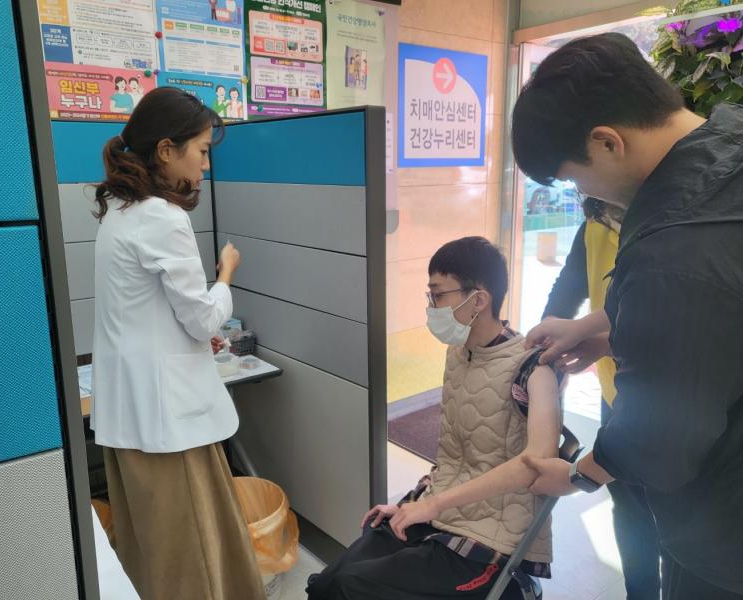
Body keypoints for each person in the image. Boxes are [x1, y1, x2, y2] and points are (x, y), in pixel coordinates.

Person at [511, 33, 743, 599]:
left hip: (725, 533)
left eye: (573, 177)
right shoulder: (730, 139)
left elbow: (664, 440)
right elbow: (718, 323)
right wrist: (612, 334)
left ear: (607, 142)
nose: (582, 193)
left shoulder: (673, 245)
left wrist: (577, 474)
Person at [307, 237, 562, 600]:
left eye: (438, 295)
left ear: (479, 299)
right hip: (442, 513)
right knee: (327, 584)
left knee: (353, 587)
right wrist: (415, 501)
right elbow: (456, 459)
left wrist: (431, 505)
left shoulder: (533, 368)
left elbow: (538, 464)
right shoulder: (459, 353)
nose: (431, 307)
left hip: (489, 539)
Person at [91, 87, 266, 600]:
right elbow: (201, 317)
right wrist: (226, 275)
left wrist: (192, 335)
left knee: (152, 550)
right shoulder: (163, 218)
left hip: (130, 414)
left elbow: (143, 313)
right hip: (168, 425)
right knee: (193, 557)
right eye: (202, 151)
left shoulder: (120, 212)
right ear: (167, 150)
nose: (206, 166)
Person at [542, 199, 663, 599]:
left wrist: (579, 476)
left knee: (675, 518)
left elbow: (673, 327)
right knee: (628, 507)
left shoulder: (670, 224)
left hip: (664, 397)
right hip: (617, 392)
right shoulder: (597, 219)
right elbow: (570, 287)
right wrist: (548, 349)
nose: (580, 189)